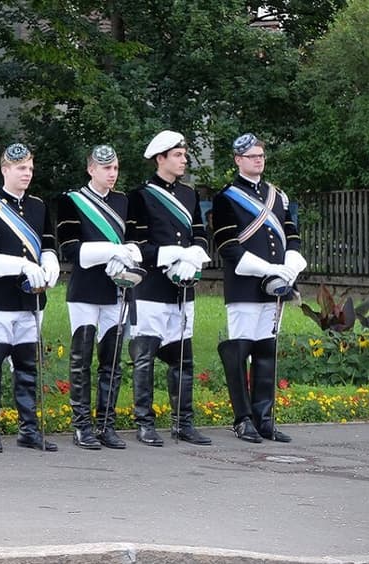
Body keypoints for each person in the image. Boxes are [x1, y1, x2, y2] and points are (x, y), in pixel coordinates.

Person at [213, 133, 305, 443]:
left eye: (261, 155)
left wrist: (291, 264)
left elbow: (291, 234)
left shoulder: (277, 196)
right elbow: (227, 246)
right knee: (240, 351)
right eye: (252, 156)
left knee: (266, 351)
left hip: (275, 288)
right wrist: (268, 269)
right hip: (243, 286)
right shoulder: (226, 197)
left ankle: (264, 418)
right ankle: (243, 420)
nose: (258, 160)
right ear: (238, 160)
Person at [0, 143, 60, 453]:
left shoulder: (38, 206)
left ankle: (29, 430)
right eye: (21, 168)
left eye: (30, 168)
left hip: (31, 300)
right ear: (5, 170)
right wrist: (21, 265)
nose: (27, 174)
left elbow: (47, 243)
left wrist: (50, 263)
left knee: (27, 367)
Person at [125, 130, 212, 447]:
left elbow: (200, 234)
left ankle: (182, 422)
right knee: (145, 358)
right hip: (151, 288)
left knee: (183, 360)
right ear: (160, 158)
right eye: (178, 155)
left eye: (184, 154)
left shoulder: (190, 195)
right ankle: (144, 423)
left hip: (183, 287)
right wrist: (170, 256)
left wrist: (194, 257)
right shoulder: (140, 196)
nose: (184, 159)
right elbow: (134, 244)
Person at [56, 145, 142, 450]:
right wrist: (112, 251)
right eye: (106, 169)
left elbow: (135, 242)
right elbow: (71, 249)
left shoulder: (124, 201)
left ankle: (106, 424)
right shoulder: (72, 202)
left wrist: (127, 255)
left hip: (116, 290)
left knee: (112, 361)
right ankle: (82, 426)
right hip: (84, 291)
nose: (112, 174)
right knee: (81, 359)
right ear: (91, 169)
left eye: (115, 168)